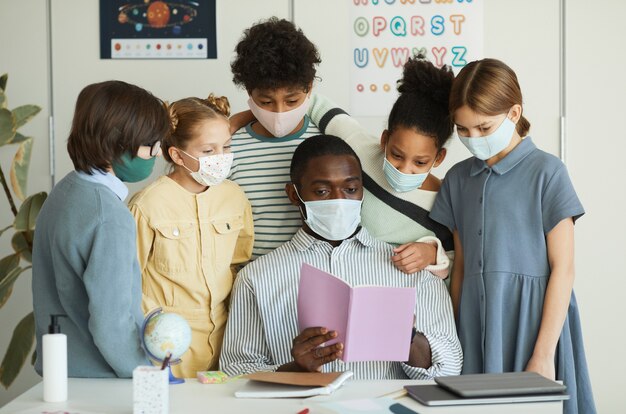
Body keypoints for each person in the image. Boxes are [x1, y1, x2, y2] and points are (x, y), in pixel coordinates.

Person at [220, 135, 462, 379]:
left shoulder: (412, 268)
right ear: (294, 195)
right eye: (322, 191)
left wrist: (408, 337)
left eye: (350, 189)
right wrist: (294, 370)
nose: (339, 200)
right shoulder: (256, 278)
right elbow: (234, 373)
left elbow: (450, 369)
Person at [429, 59, 596, 413]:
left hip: (534, 324)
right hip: (475, 325)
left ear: (514, 112)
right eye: (463, 129)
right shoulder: (458, 179)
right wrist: (455, 340)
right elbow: (460, 271)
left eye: (483, 127)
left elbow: (563, 269)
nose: (473, 139)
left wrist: (543, 353)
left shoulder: (547, 172)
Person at [32, 80, 170, 378]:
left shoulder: (63, 193)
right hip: (100, 378)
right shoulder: (109, 215)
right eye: (151, 146)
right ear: (115, 144)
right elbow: (113, 322)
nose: (158, 154)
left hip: (59, 372)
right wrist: (146, 375)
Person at [128, 95, 254, 378]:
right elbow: (126, 281)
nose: (221, 157)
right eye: (209, 150)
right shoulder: (147, 205)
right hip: (165, 347)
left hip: (226, 344)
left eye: (227, 146)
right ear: (176, 155)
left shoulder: (234, 197)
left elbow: (238, 263)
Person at [307, 56, 454, 276]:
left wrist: (431, 253)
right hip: (340, 274)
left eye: (420, 162)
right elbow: (306, 100)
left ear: (439, 158)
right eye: (396, 155)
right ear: (384, 139)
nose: (404, 169)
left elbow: (454, 262)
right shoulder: (359, 147)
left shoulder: (445, 201)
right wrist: (243, 118)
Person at [228, 17, 323, 259]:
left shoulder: (326, 141)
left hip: (313, 277)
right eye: (266, 102)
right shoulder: (230, 148)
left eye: (292, 101)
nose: (279, 112)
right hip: (250, 279)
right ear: (249, 93)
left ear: (309, 88)